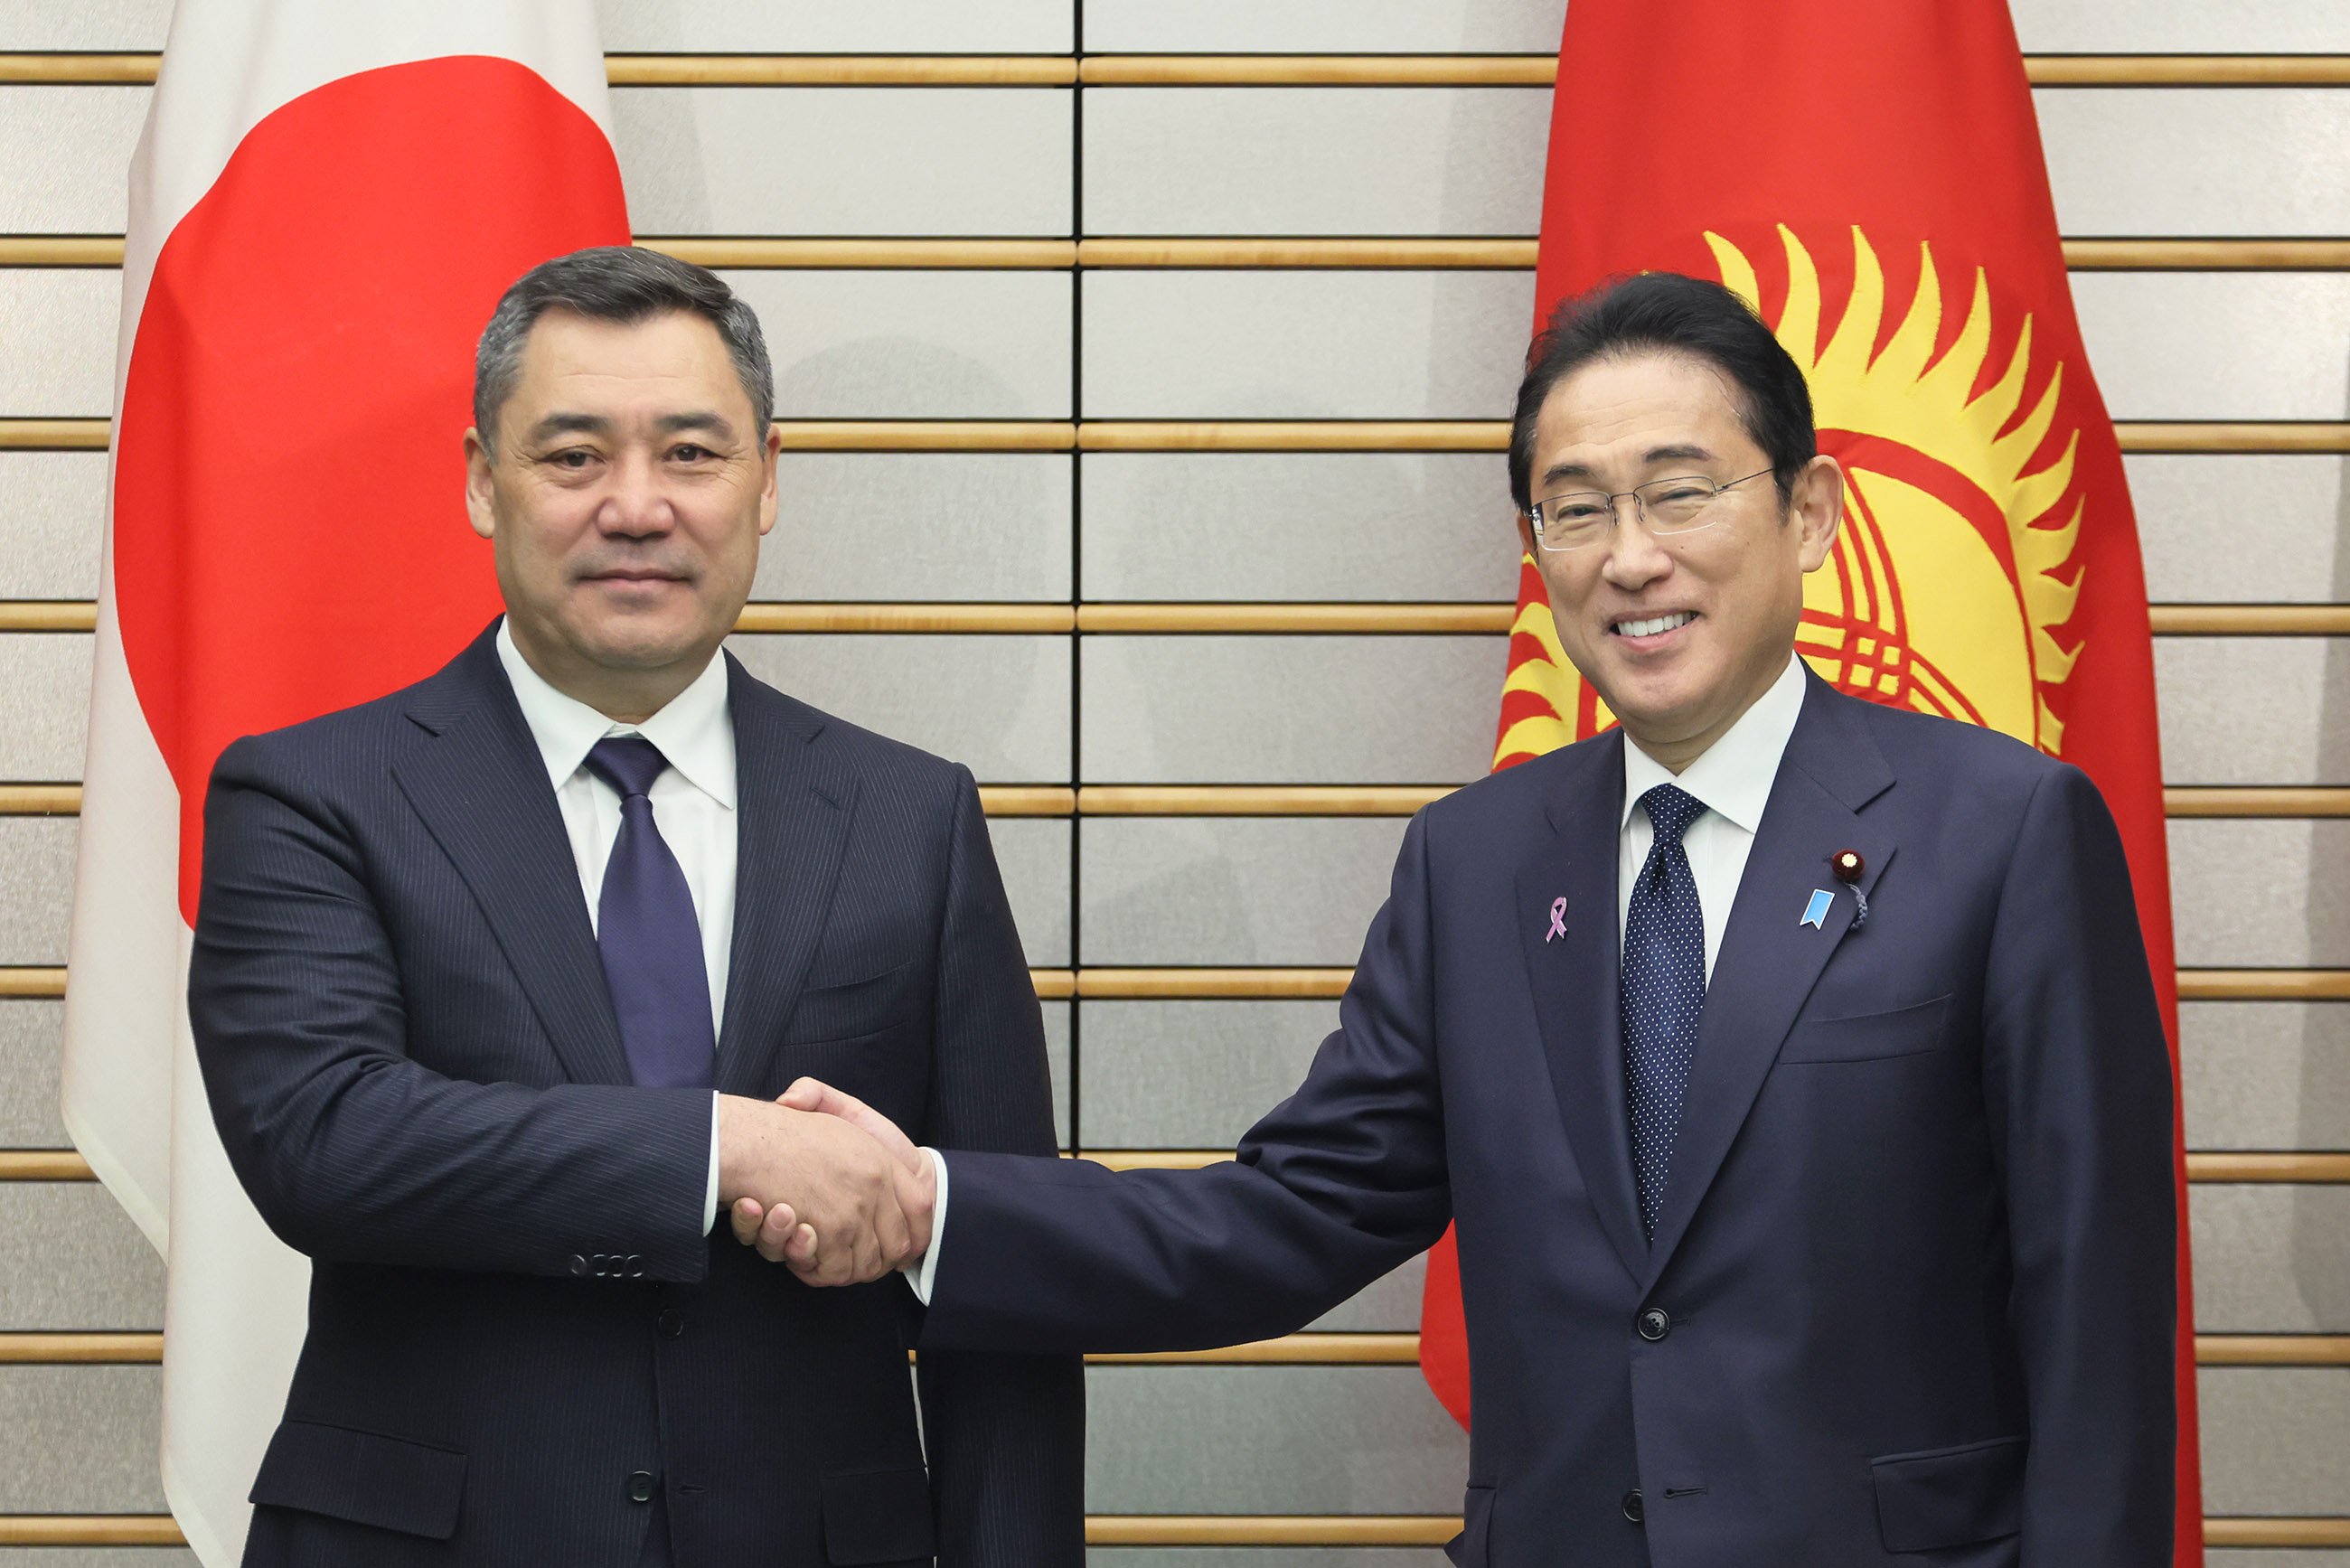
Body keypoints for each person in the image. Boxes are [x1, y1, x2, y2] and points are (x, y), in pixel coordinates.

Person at [765, 273, 2177, 1565]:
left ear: (1809, 511)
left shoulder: (2003, 832)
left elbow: (2096, 1319)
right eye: (1578, 508)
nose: (1631, 558)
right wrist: (932, 1209)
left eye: (1680, 493)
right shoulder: (1480, 862)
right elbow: (1291, 1214)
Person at [188, 246, 1082, 1568]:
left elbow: (998, 1276)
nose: (637, 506)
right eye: (573, 457)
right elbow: (325, 1139)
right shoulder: (314, 793)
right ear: (482, 481)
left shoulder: (912, 818)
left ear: (766, 481)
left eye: (692, 454)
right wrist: (725, 1149)